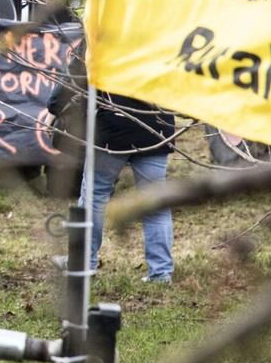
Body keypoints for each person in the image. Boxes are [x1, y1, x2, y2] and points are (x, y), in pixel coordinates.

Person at [49, 48, 176, 282]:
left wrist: (54, 107)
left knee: (93, 197)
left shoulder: (103, 24)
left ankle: (84, 262)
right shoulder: (161, 27)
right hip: (157, 127)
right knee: (155, 202)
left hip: (112, 130)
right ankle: (161, 272)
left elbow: (75, 75)